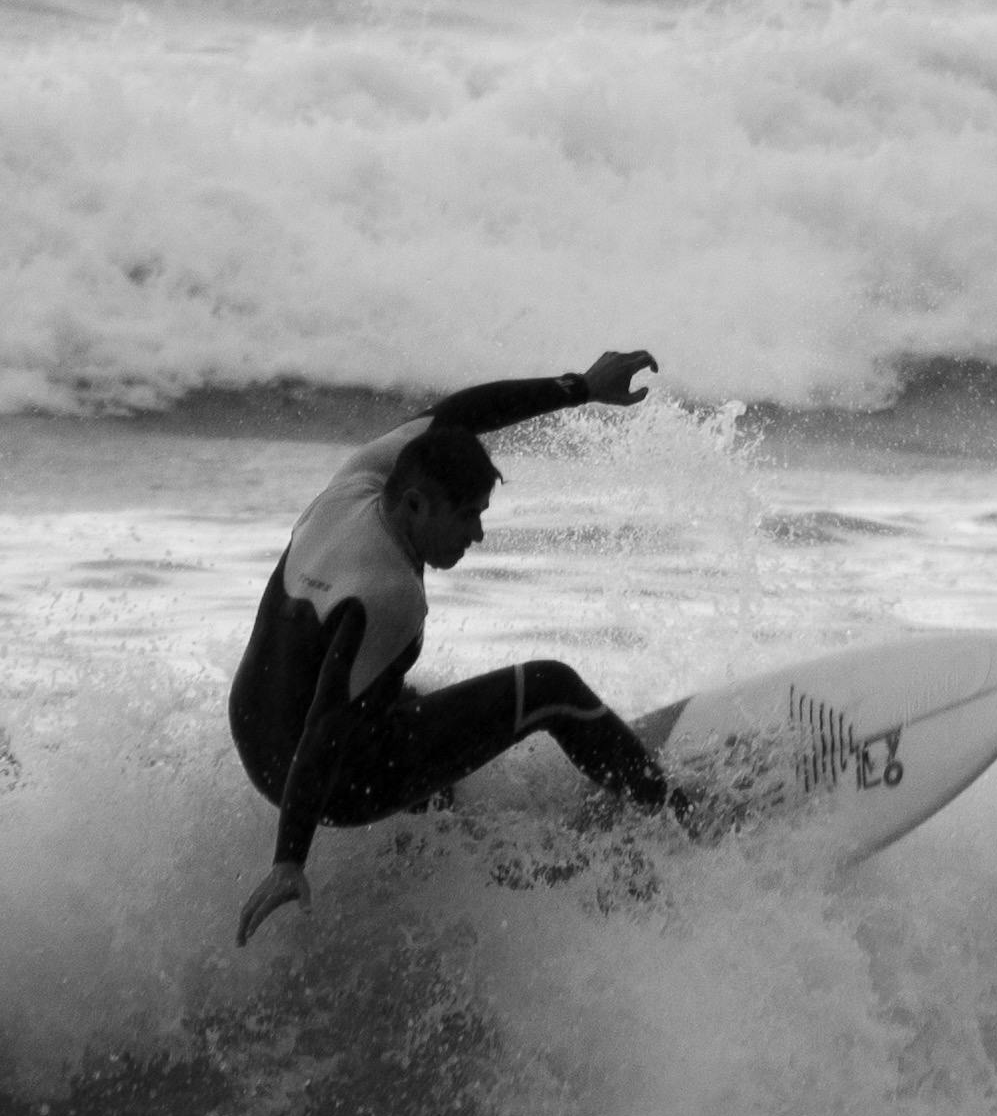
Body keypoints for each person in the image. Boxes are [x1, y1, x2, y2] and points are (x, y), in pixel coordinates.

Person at [228, 346, 678, 939]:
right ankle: (677, 818)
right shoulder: (388, 592)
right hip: (318, 777)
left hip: (254, 725)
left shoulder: (357, 481)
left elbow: (463, 411)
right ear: (416, 504)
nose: (479, 534)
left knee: (413, 707)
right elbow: (327, 726)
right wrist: (290, 859)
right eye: (466, 516)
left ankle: (420, 884)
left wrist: (581, 388)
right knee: (550, 687)